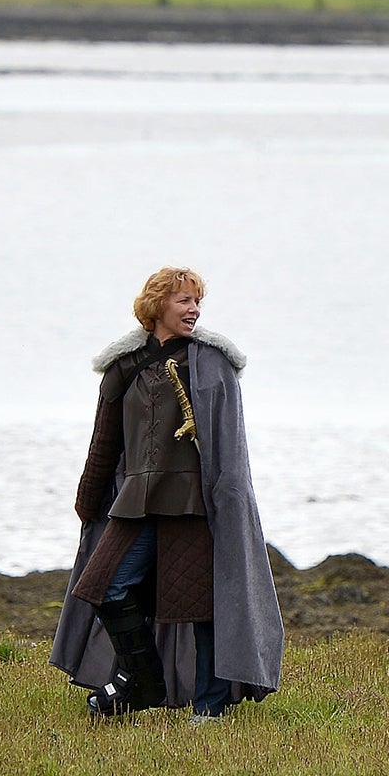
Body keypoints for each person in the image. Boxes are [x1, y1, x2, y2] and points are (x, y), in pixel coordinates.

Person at [50, 267, 283, 719]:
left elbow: (228, 445)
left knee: (199, 606)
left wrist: (228, 506)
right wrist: (89, 500)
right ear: (158, 306)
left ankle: (209, 706)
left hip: (195, 504)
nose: (193, 310)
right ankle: (143, 684)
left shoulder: (210, 364)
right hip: (136, 504)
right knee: (105, 586)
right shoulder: (123, 367)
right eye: (184, 301)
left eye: (197, 302)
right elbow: (105, 441)